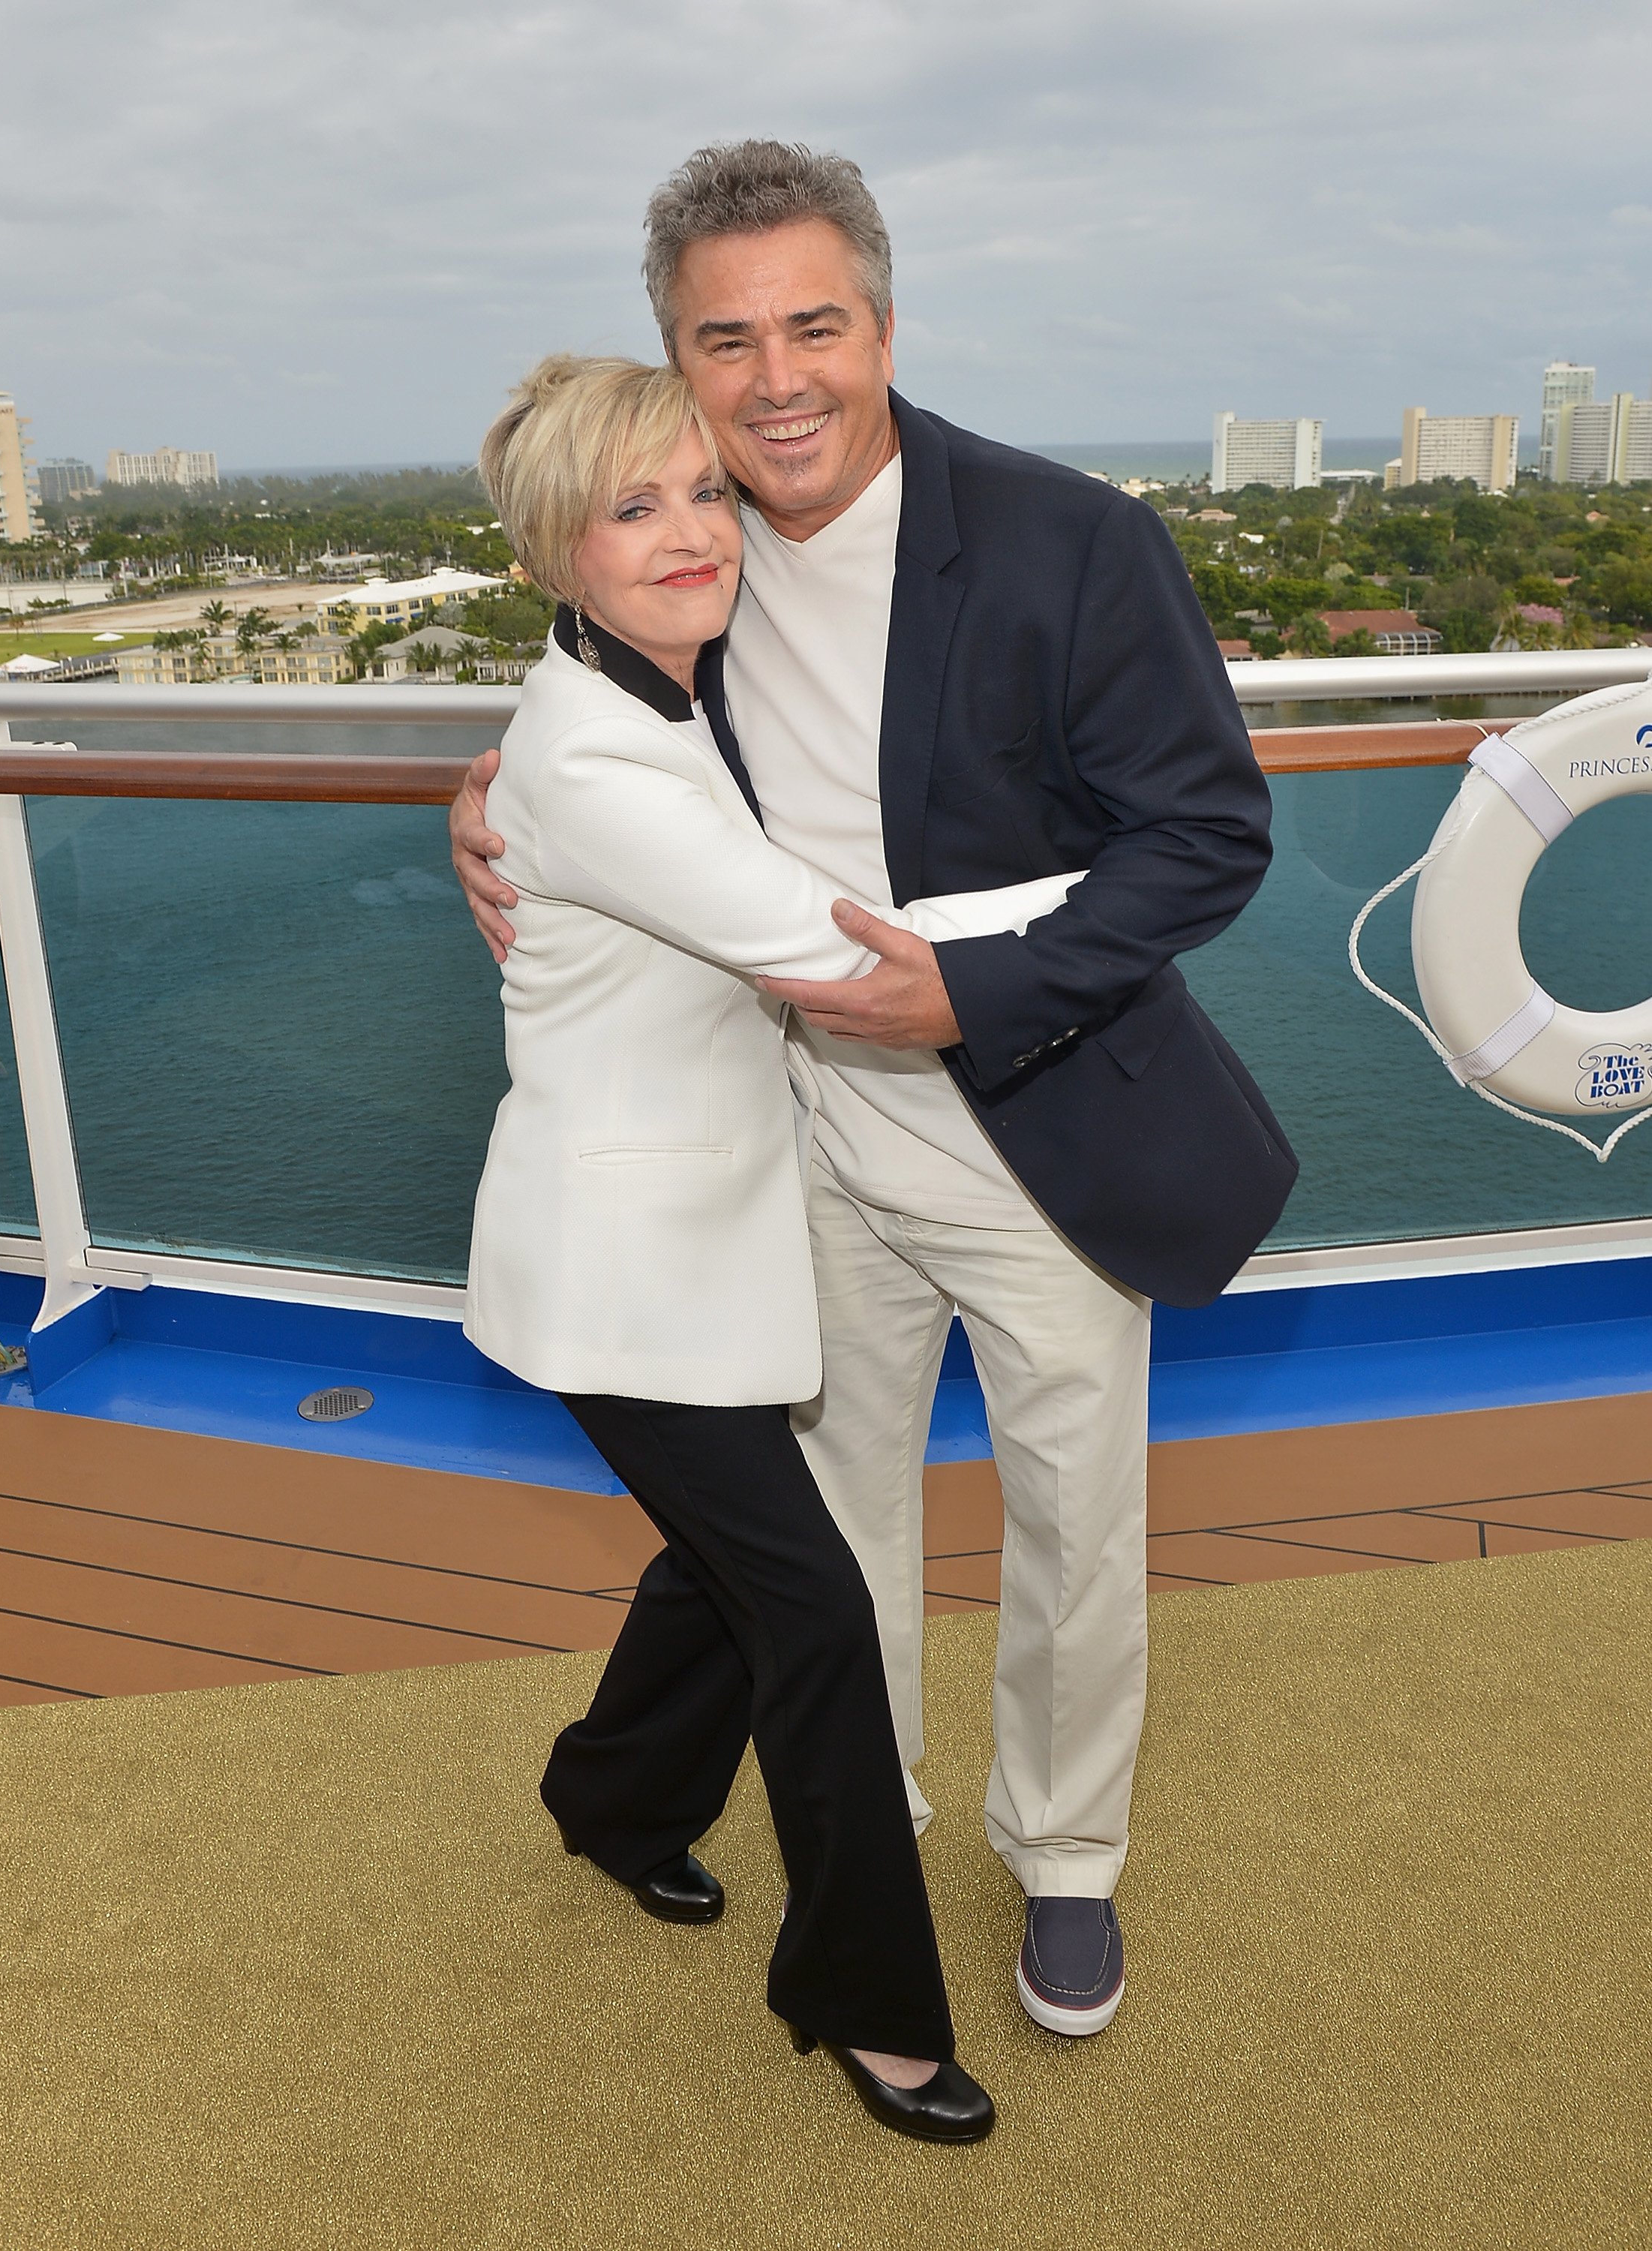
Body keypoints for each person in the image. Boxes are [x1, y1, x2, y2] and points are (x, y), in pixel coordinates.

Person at [453, 143, 1296, 2042]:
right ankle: (881, 1822)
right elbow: (601, 703)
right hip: (799, 1140)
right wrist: (487, 804)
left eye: (812, 325)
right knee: (840, 1527)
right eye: (723, 340)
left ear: (883, 326)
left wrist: (969, 990)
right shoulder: (702, 538)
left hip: (1040, 1119)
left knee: (1077, 1521)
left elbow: (1205, 835)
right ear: (678, 358)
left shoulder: (1068, 538)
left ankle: (1067, 1860)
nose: (774, 381)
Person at [467, 352, 1081, 2140]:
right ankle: (864, 2002)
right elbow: (837, 958)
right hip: (618, 1273)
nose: (689, 535)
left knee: (722, 1574)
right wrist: (1118, 894)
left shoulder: (660, 693)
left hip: (703, 1247)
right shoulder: (596, 753)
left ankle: (613, 1802)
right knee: (809, 1609)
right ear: (549, 552)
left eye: (704, 494)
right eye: (631, 507)